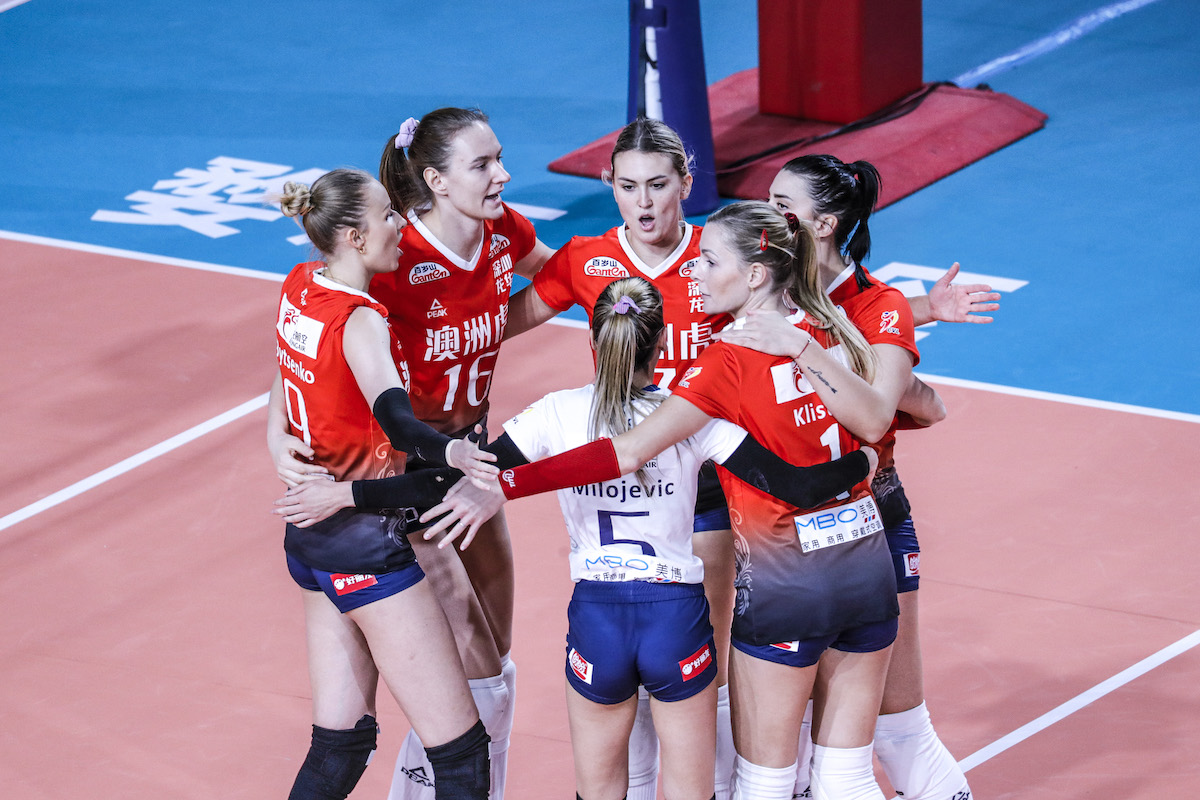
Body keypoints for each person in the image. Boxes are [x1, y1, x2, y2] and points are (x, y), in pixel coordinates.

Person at [277, 275, 876, 800]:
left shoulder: (554, 414)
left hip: (598, 621)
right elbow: (795, 487)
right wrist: (865, 459)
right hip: (677, 619)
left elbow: (446, 483)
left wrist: (348, 495)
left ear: (594, 342)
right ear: (660, 344)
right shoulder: (691, 416)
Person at [426, 202, 948, 800]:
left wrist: (502, 484)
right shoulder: (841, 326)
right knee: (845, 776)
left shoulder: (722, 362)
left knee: (765, 782)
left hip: (783, 583)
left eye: (708, 260)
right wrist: (864, 460)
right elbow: (922, 408)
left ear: (755, 274)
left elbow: (627, 451)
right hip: (865, 565)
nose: (692, 271)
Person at [269, 108, 555, 800]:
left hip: (464, 460)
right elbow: (372, 402)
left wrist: (619, 283)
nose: (502, 175)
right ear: (436, 180)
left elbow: (542, 286)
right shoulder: (387, 276)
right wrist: (280, 434)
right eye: (482, 164)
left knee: (491, 672)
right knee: (471, 705)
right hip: (411, 483)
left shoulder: (500, 233)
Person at [732, 154, 981, 800]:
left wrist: (886, 365)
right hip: (782, 531)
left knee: (893, 732)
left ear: (824, 223)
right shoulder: (764, 286)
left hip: (866, 516)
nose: (767, 214)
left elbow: (908, 404)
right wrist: (922, 318)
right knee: (801, 751)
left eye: (783, 206)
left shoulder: (868, 303)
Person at [505, 117, 739, 800]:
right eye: (628, 186)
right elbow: (504, 322)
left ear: (685, 183)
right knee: (633, 673)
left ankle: (719, 784)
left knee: (706, 659)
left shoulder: (718, 257)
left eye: (658, 185)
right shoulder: (587, 259)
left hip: (708, 477)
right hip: (621, 479)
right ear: (609, 184)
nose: (644, 202)